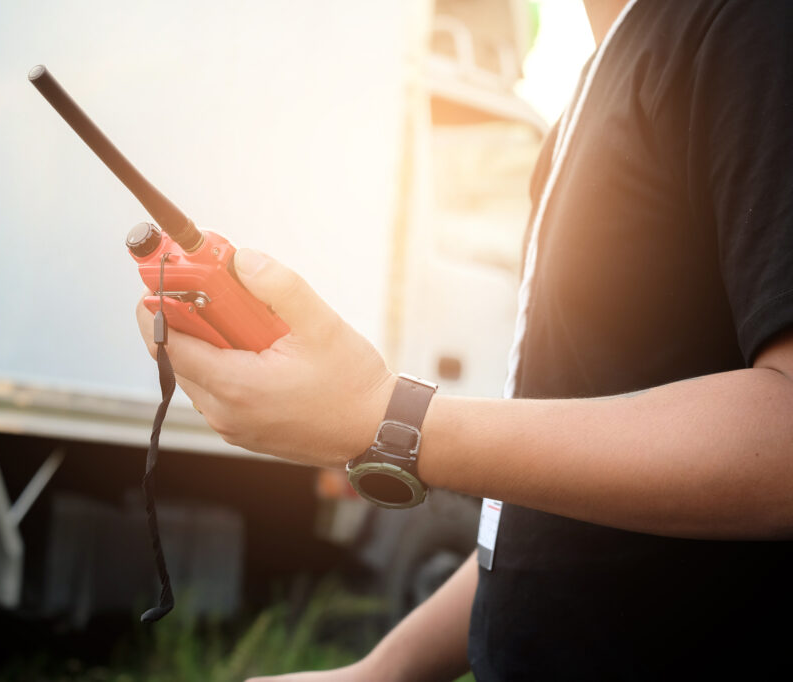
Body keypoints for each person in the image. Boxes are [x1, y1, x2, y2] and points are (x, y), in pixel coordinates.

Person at [137, 0, 793, 678]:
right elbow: (552, 517)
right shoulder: (594, 90)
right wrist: (387, 669)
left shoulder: (751, 26)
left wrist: (386, 418)